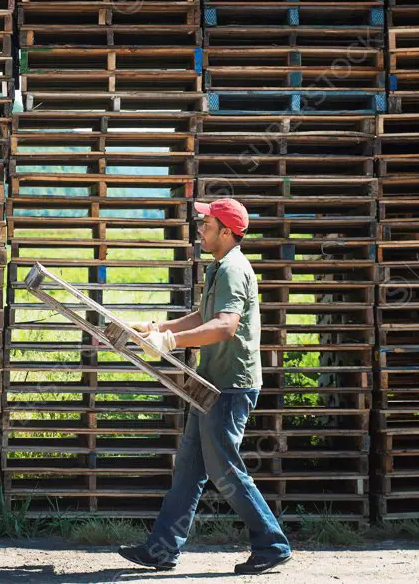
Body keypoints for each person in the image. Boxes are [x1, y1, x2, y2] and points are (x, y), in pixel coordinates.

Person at [117, 197, 292, 575]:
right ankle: (162, 548)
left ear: (226, 232)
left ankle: (272, 543)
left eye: (206, 224)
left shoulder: (232, 269)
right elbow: (203, 315)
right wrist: (159, 329)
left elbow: (226, 325)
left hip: (230, 386)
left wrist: (173, 344)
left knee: (225, 470)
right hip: (211, 382)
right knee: (189, 468)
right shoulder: (218, 268)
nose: (200, 229)